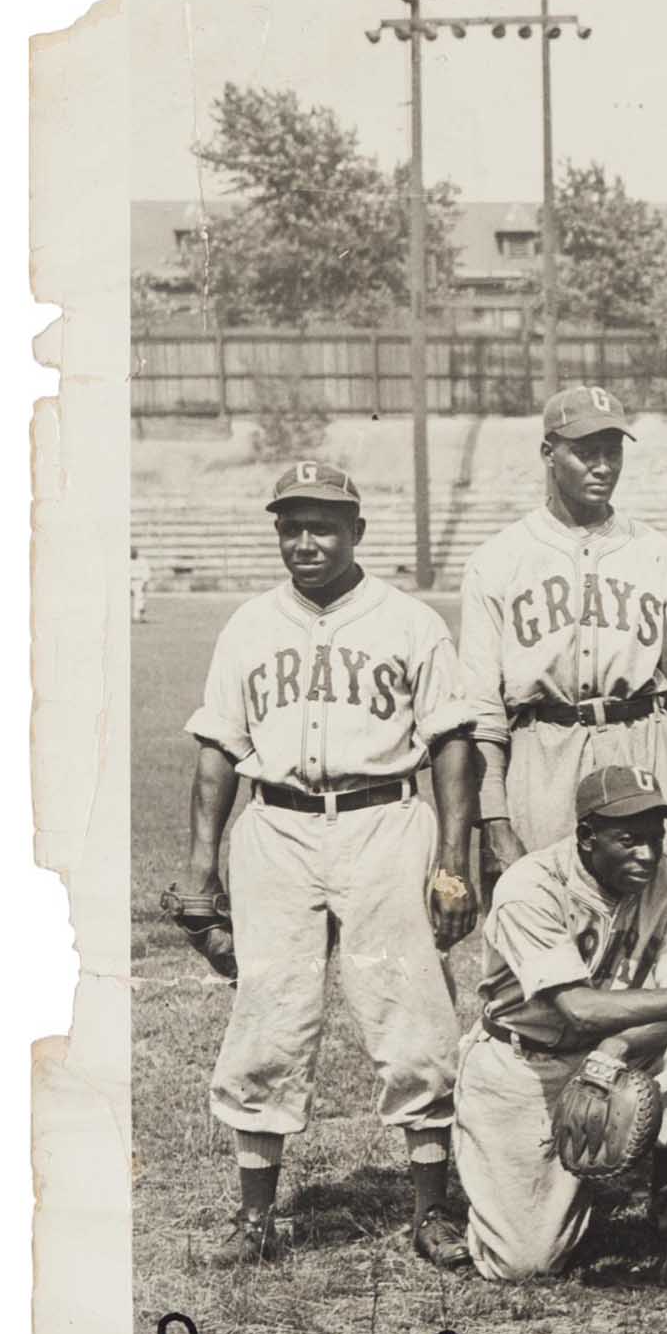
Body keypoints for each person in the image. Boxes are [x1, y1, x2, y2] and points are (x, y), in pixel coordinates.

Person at [171, 459, 483, 1267]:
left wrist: (452, 858)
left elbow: (453, 744)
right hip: (276, 825)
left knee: (411, 1012)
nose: (306, 540)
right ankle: (254, 1217)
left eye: (324, 524)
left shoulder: (410, 621)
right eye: (292, 524)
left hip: (384, 818)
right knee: (268, 1018)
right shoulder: (247, 625)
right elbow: (217, 753)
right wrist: (202, 873)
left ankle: (430, 1207)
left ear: (357, 532)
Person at [452, 764, 667, 1298]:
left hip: (624, 1050)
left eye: (656, 839)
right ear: (586, 837)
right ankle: (545, 1188)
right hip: (524, 1062)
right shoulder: (530, 886)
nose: (648, 855)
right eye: (629, 840)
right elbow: (580, 1009)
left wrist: (617, 1048)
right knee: (523, 1264)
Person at [462, 384, 667, 888]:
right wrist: (495, 823)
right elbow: (481, 711)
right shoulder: (498, 559)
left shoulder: (656, 553)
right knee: (543, 919)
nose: (602, 466)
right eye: (585, 452)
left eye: (612, 452)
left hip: (645, 745)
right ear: (548, 453)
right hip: (543, 754)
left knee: (653, 932)